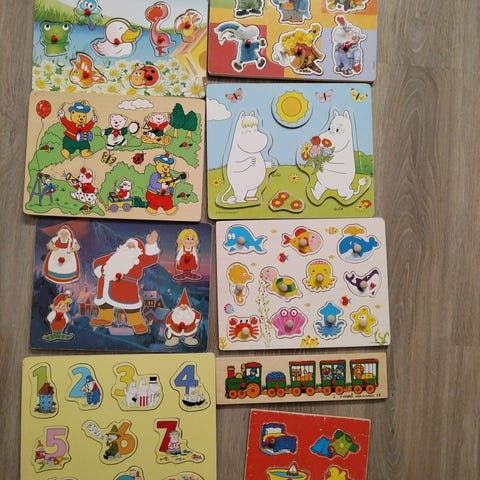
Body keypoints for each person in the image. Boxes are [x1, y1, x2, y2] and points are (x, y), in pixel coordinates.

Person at [90, 231, 160, 334]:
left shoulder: (138, 259)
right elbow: (98, 262)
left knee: (131, 305)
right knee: (105, 303)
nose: (129, 247)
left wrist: (151, 244)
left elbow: (151, 259)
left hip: (127, 285)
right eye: (128, 245)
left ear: (138, 250)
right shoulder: (114, 255)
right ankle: (105, 318)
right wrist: (100, 271)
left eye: (133, 246)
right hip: (107, 283)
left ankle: (137, 323)